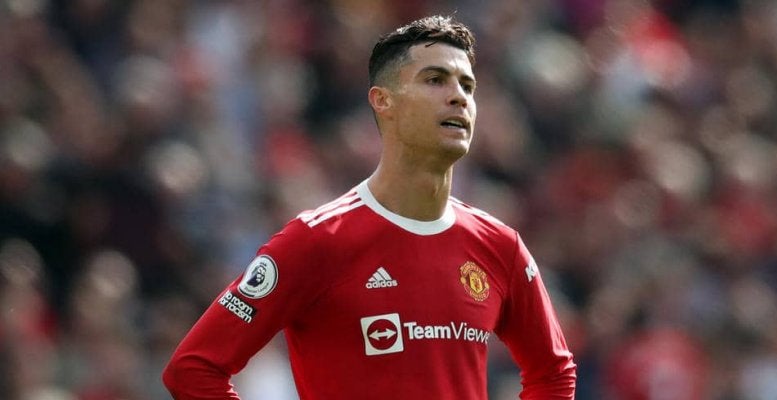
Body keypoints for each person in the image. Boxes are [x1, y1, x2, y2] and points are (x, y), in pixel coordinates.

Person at [162, 15, 577, 399]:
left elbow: (554, 373)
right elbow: (194, 368)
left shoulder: (501, 248)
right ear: (383, 101)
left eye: (467, 86)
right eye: (436, 80)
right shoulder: (317, 241)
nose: (458, 97)